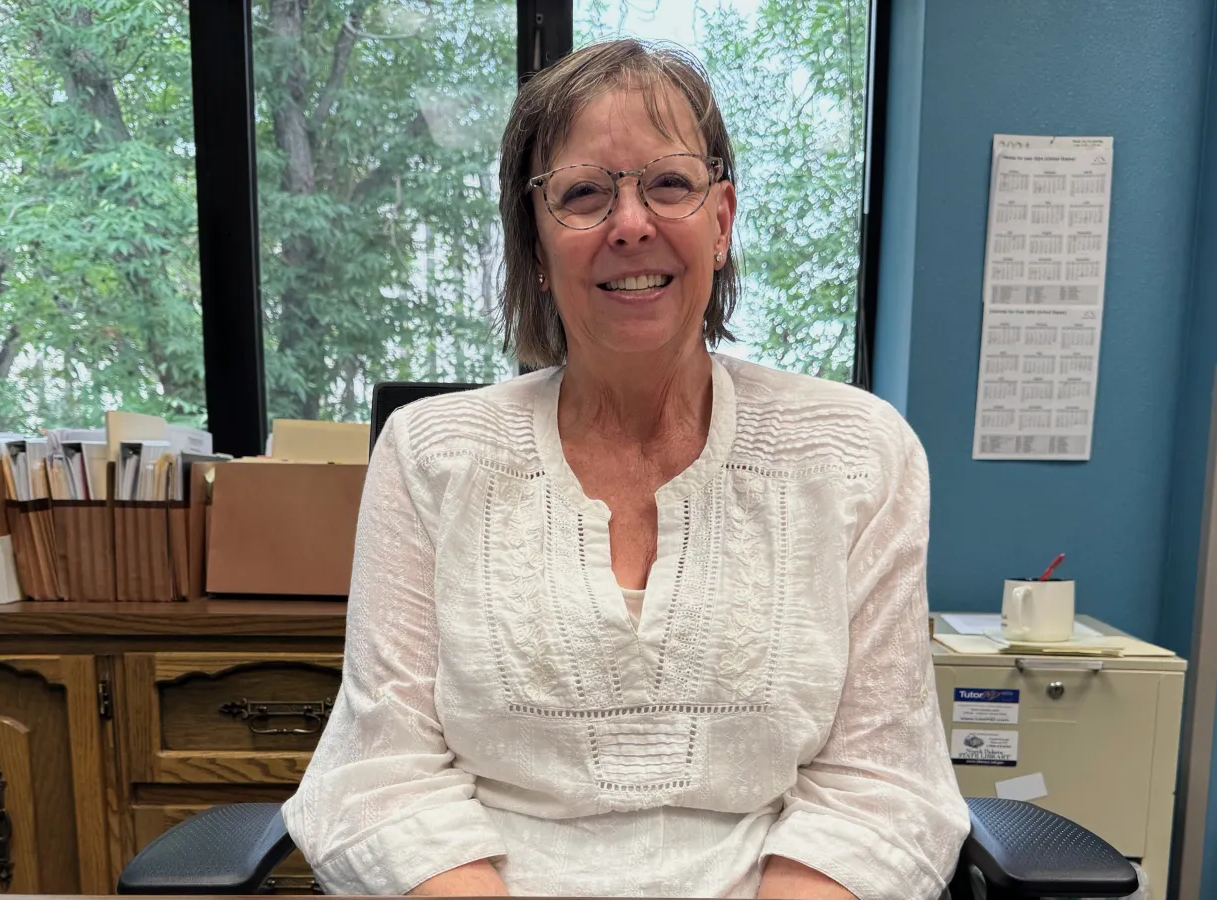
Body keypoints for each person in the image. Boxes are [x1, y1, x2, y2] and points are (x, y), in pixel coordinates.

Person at [283, 38, 968, 900]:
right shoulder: (432, 454)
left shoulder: (858, 452)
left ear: (720, 221)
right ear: (534, 244)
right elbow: (382, 777)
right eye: (582, 193)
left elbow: (883, 784)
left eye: (670, 184)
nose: (631, 223)